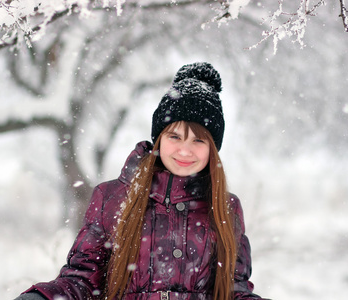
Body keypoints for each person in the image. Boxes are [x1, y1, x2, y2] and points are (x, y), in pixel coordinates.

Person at [15, 62, 268, 300]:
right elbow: (82, 279)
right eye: (175, 137)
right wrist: (43, 297)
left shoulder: (226, 207)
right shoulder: (112, 198)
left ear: (213, 149)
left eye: (198, 140)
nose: (185, 150)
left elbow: (235, 288)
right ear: (159, 138)